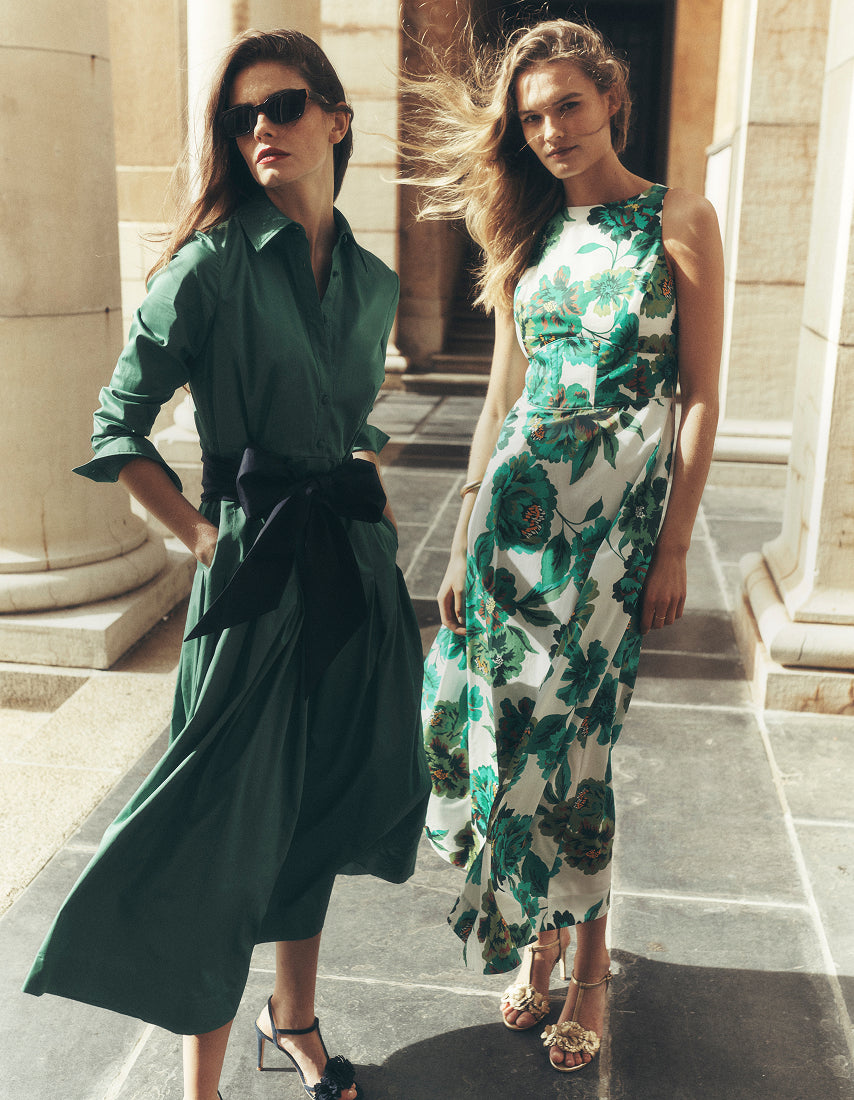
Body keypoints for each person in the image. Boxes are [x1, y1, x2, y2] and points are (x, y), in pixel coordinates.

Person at [23, 28, 430, 1100]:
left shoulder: (374, 283)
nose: (261, 129)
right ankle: (199, 1087)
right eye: (240, 116)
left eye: (284, 105)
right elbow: (119, 425)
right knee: (219, 826)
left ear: (337, 118)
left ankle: (291, 1018)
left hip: (351, 570)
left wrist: (372, 509)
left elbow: (342, 428)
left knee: (323, 805)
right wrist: (203, 540)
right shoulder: (204, 271)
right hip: (252, 583)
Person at [412, 19, 723, 1073]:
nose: (549, 131)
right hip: (511, 529)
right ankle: (537, 939)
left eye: (567, 107)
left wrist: (673, 541)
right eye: (531, 116)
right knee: (505, 728)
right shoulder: (528, 230)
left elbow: (698, 397)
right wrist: (459, 541)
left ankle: (587, 966)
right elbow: (502, 395)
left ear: (610, 100)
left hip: (608, 540)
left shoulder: (674, 219)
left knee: (576, 742)